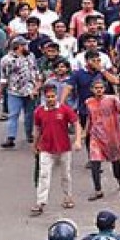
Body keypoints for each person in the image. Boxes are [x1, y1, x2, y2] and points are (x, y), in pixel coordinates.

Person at [32, 84, 79, 216]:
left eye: (53, 96)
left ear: (56, 96)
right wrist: (35, 144)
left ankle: (68, 197)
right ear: (44, 97)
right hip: (46, 148)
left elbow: (76, 123)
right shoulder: (39, 112)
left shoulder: (64, 110)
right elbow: (37, 129)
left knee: (65, 175)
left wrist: (78, 139)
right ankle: (40, 202)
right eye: (48, 97)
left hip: (64, 147)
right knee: (43, 175)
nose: (51, 99)